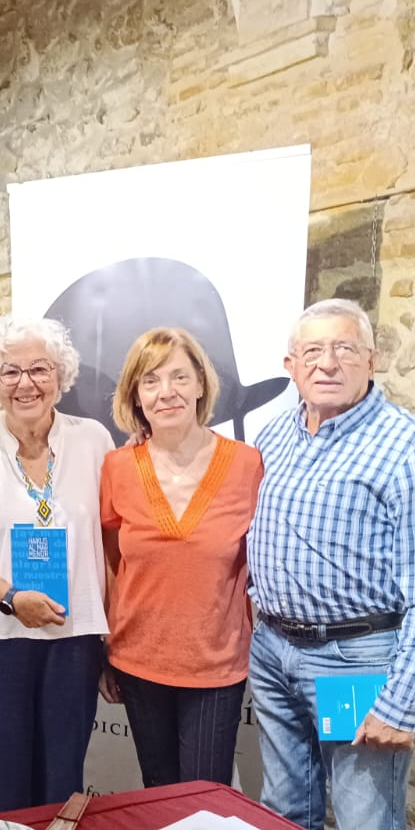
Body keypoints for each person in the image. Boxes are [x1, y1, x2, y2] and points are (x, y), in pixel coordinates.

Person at [247, 298, 415, 830]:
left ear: (373, 359)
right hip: (272, 651)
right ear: (290, 364)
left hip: (358, 663)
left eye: (344, 348)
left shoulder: (410, 447)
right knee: (284, 819)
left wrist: (401, 698)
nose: (328, 363)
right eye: (313, 351)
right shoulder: (273, 438)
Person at [0, 318, 110, 816]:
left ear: (60, 375)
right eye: (10, 371)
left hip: (71, 641)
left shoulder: (93, 441)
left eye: (39, 369)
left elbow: (111, 539)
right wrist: (12, 599)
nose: (26, 383)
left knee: (61, 780)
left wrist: (112, 629)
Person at [99, 328, 263, 787]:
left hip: (214, 664)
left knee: (205, 800)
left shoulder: (247, 465)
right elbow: (112, 562)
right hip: (138, 660)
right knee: (158, 792)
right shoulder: (118, 468)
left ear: (200, 386)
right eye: (150, 381)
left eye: (178, 377)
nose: (166, 392)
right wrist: (105, 650)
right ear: (135, 394)